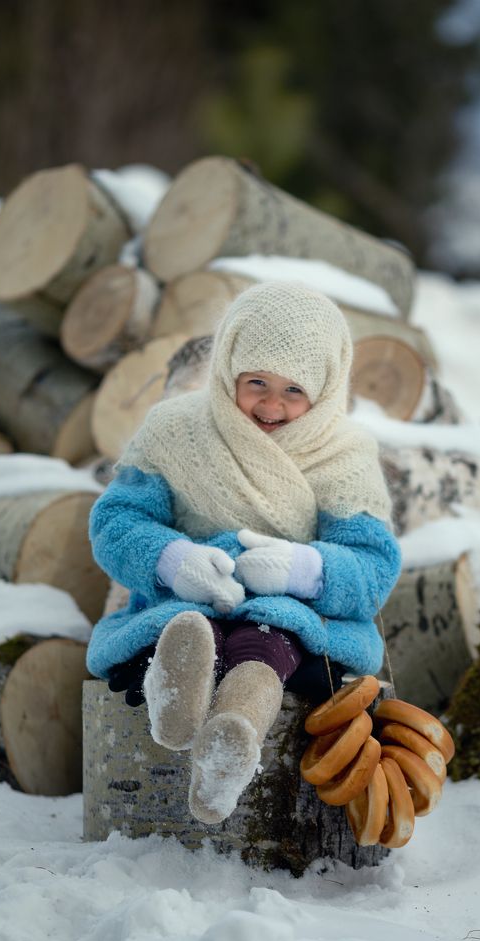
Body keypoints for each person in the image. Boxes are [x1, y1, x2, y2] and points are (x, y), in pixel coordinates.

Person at [86, 280, 402, 824]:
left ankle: (233, 739)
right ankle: (177, 696)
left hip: (293, 617)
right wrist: (171, 560)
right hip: (185, 605)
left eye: (294, 390)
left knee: (267, 647)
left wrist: (306, 570)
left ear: (326, 390)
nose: (271, 405)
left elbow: (372, 566)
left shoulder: (345, 455)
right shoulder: (176, 430)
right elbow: (116, 521)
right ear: (228, 368)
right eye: (257, 381)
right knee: (178, 635)